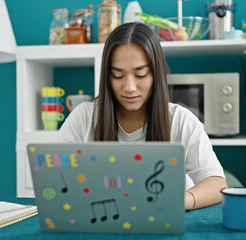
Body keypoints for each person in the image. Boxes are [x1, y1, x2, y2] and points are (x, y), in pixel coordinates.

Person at [59, 22, 227, 210]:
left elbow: (216, 184)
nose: (129, 87)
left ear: (156, 74)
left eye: (141, 74)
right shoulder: (83, 117)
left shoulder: (181, 120)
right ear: (107, 77)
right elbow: (56, 179)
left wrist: (182, 200)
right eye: (118, 75)